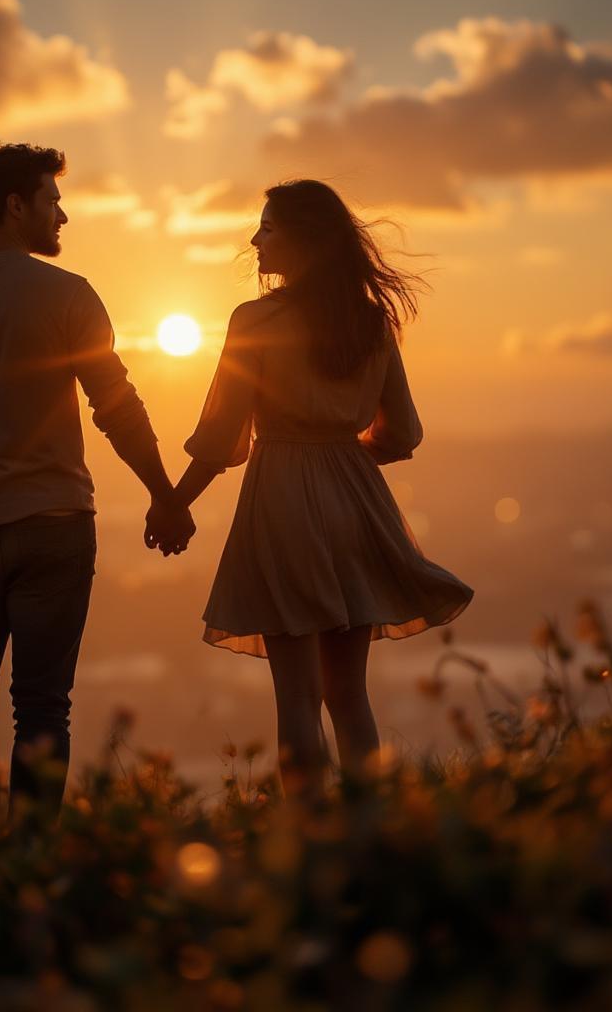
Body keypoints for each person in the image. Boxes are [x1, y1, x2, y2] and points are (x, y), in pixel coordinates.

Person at [0, 142, 194, 839]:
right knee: (43, 708)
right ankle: (28, 869)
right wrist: (165, 494)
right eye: (52, 201)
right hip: (54, 525)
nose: (64, 215)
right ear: (16, 207)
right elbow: (116, 407)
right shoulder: (67, 295)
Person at [159, 179, 474, 799]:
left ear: (302, 241)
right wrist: (342, 457)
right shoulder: (369, 323)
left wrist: (173, 503)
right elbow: (402, 433)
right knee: (348, 695)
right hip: (358, 502)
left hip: (281, 500)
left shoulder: (257, 320)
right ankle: (367, 829)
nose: (255, 239)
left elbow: (222, 438)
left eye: (268, 227)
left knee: (297, 700)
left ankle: (307, 839)